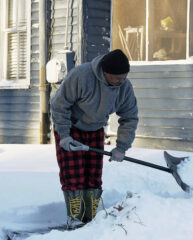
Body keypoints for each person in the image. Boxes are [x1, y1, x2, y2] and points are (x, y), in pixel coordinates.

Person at [50, 49, 138, 229]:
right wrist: (64, 136)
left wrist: (121, 147)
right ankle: (74, 218)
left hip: (95, 129)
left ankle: (89, 218)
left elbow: (129, 117)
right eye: (117, 78)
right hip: (71, 128)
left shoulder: (124, 87)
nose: (121, 82)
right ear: (105, 73)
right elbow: (59, 105)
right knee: (74, 176)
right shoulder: (81, 76)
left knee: (94, 176)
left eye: (124, 77)